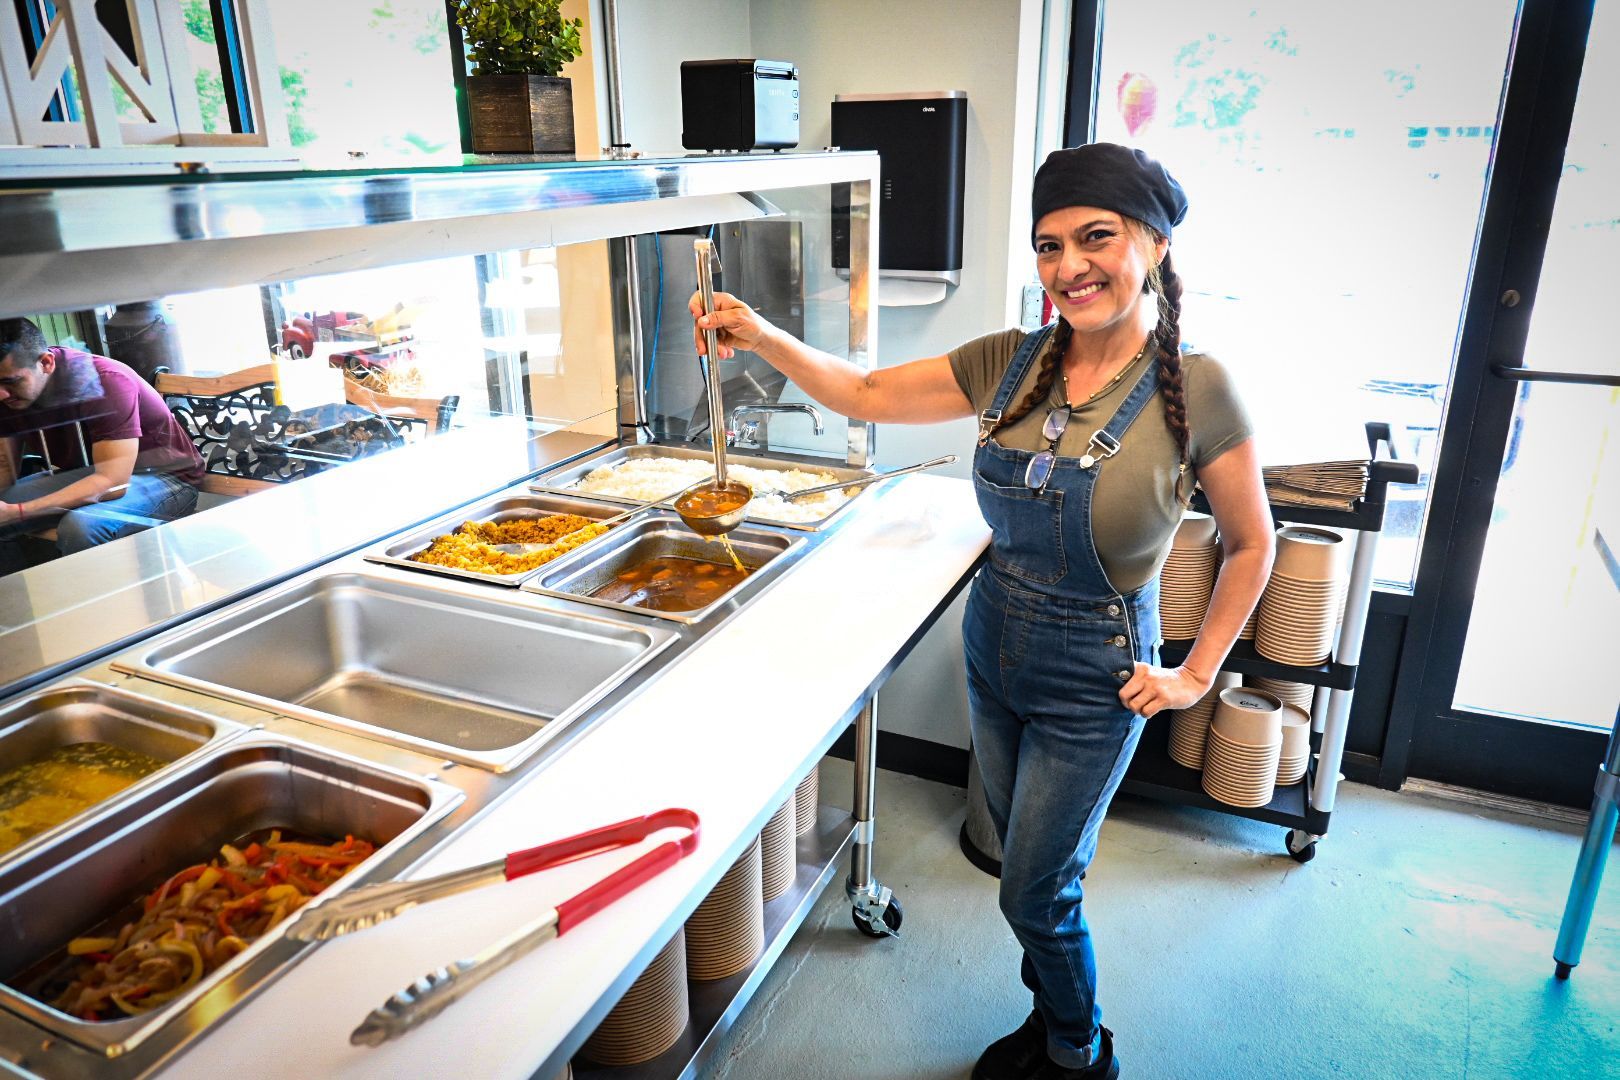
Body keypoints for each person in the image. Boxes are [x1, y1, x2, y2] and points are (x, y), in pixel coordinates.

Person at [691, 143, 1274, 1078]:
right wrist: (759, 333)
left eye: (1097, 238)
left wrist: (1197, 674)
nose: (1069, 267)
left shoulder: (1199, 387)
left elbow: (1252, 543)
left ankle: (1080, 1051)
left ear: (1155, 246)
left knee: (1037, 890)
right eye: (1049, 247)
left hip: (1100, 674)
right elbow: (868, 392)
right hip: (993, 645)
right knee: (1019, 870)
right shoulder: (1011, 361)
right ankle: (1049, 1024)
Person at [0, 317, 204, 572]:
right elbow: (4, 471)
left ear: (46, 362)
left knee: (82, 526)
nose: (1, 394)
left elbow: (114, 483)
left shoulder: (104, 380)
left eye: (11, 382)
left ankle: (105, 609)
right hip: (91, 473)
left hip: (167, 478)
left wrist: (19, 512)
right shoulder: (8, 394)